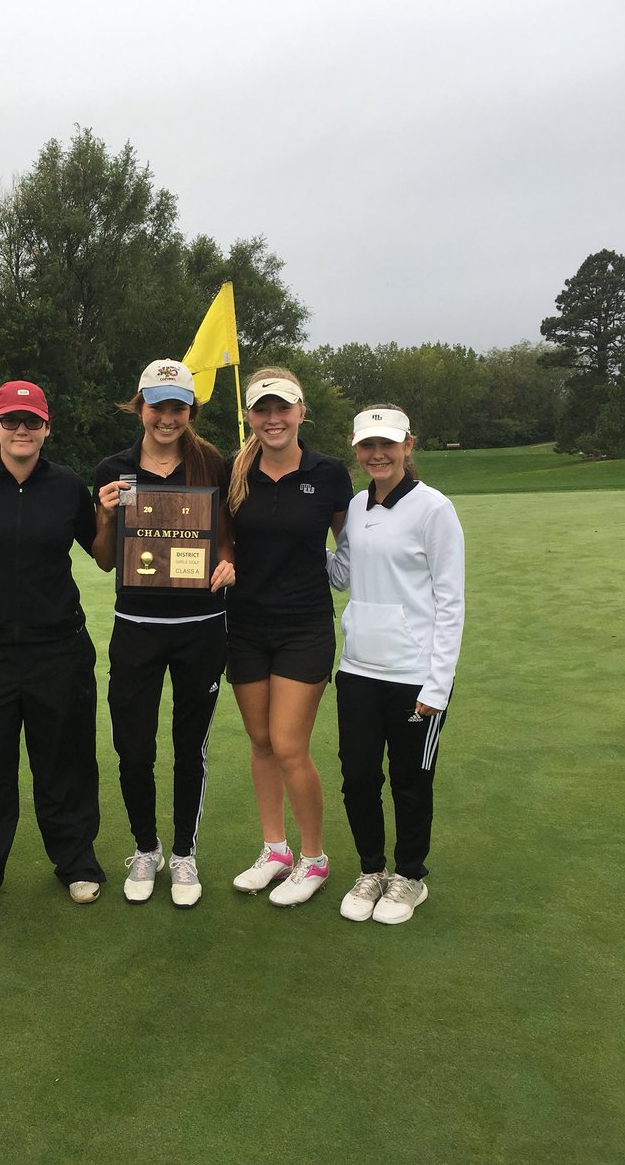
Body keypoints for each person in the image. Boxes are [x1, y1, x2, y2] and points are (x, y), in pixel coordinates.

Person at [0, 380, 105, 916]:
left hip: (59, 647)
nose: (22, 430)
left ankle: (75, 861)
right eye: (11, 421)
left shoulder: (67, 485)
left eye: (32, 422)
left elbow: (100, 554)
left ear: (47, 427)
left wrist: (113, 518)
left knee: (66, 760)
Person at [92, 361, 235, 908]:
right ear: (141, 406)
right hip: (136, 627)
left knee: (187, 747)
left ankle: (183, 854)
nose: (167, 417)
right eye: (158, 406)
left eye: (178, 407)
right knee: (133, 746)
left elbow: (225, 538)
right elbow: (106, 560)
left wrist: (228, 564)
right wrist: (105, 519)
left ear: (190, 411)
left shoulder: (211, 464)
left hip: (201, 628)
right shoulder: (116, 469)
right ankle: (146, 848)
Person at [328, 404, 465, 925]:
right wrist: (285, 546)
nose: (377, 454)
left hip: (415, 676)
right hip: (359, 669)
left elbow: (451, 601)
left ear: (409, 445)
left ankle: (409, 876)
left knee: (410, 781)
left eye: (388, 444)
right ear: (356, 448)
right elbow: (341, 573)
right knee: (358, 777)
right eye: (368, 445)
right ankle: (371, 870)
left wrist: (439, 682)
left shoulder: (434, 509)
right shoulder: (357, 504)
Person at [227, 369, 353, 906]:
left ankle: (314, 857)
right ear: (250, 416)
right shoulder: (235, 472)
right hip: (245, 625)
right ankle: (275, 850)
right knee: (260, 742)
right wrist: (227, 562)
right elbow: (225, 542)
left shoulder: (329, 473)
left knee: (289, 745)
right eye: (262, 410)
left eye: (283, 409)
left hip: (303, 625)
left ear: (301, 411)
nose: (273, 419)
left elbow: (350, 550)